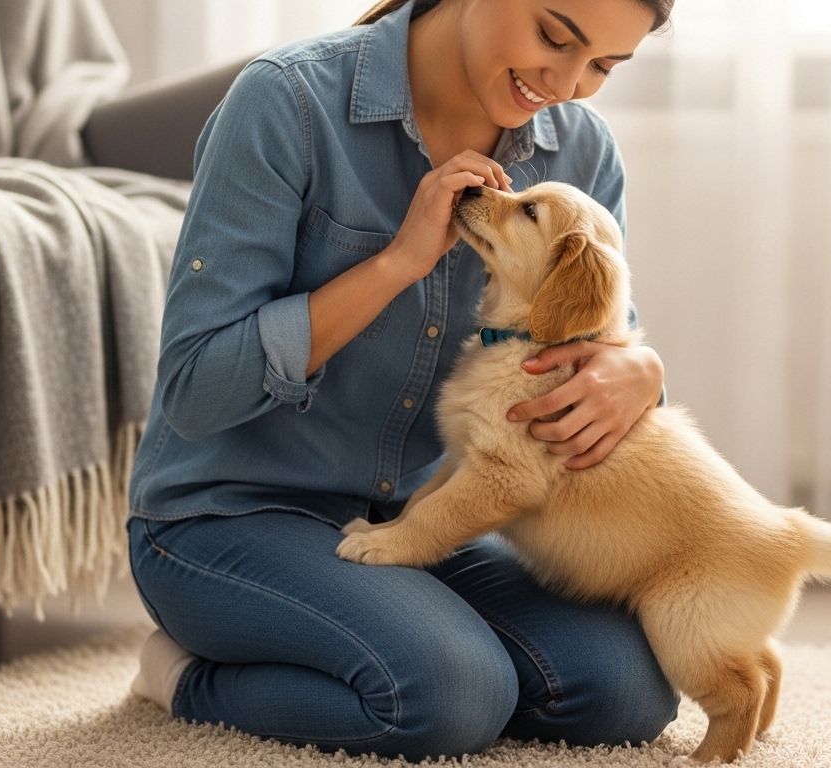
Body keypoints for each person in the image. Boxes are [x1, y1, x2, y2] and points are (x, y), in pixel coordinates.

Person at [126, 0, 677, 759]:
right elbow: (197, 389)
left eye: (605, 66)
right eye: (555, 36)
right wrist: (396, 264)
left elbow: (597, 347)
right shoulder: (286, 102)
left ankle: (396, 630)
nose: (569, 83)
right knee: (450, 697)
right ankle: (183, 677)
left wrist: (640, 371)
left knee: (624, 693)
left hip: (427, 514)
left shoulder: (580, 151)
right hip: (230, 514)